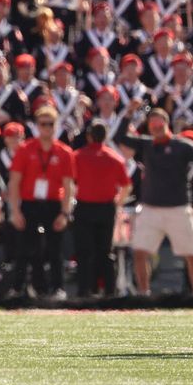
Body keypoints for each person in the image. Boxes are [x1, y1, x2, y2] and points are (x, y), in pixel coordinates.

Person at [116, 105, 193, 298]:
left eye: (160, 126)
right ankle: (143, 295)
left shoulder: (182, 146)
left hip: (178, 208)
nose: (157, 130)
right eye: (153, 127)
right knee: (140, 252)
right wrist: (128, 114)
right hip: (150, 208)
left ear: (167, 124)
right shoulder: (147, 144)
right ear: (149, 128)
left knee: (192, 253)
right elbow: (121, 137)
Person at [6, 105, 76, 299]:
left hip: (53, 203)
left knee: (55, 249)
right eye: (43, 124)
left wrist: (65, 213)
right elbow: (14, 182)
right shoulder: (25, 149)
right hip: (30, 203)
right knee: (24, 247)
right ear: (37, 126)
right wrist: (15, 211)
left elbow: (68, 186)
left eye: (51, 124)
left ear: (56, 126)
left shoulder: (64, 152)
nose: (47, 128)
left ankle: (57, 288)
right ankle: (18, 288)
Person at [72, 120, 131, 297]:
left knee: (84, 252)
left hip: (84, 207)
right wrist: (118, 202)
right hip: (106, 208)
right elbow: (126, 185)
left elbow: (70, 180)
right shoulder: (114, 158)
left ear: (89, 136)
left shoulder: (77, 156)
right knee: (105, 252)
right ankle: (109, 292)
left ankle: (84, 291)